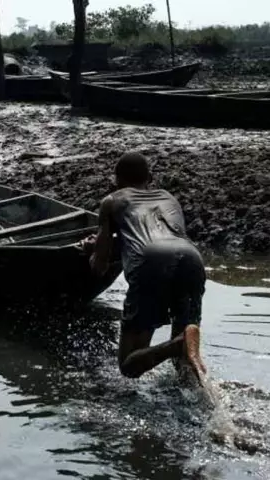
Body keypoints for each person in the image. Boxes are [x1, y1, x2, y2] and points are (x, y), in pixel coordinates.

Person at [86, 152, 208, 385]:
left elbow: (99, 268)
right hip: (192, 258)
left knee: (128, 365)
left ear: (117, 180)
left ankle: (176, 345)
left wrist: (91, 249)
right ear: (150, 178)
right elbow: (156, 235)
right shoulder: (168, 198)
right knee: (185, 358)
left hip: (150, 262)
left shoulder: (111, 201)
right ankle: (198, 394)